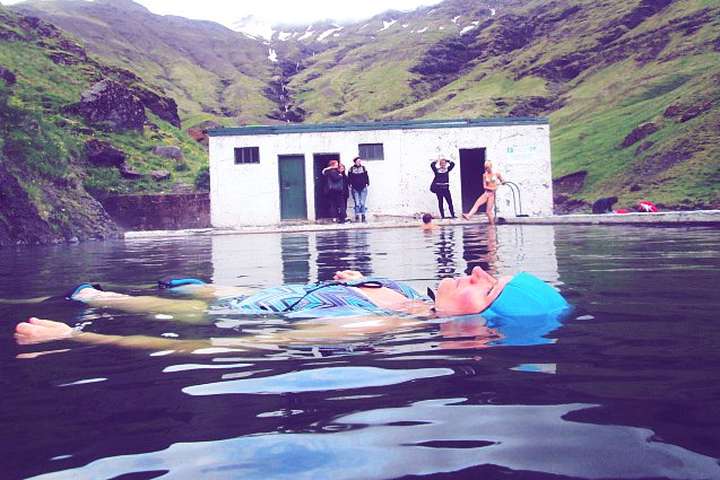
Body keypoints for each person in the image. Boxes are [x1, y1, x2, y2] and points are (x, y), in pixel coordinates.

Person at [14, 268, 569, 350]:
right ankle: (198, 285)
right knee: (209, 290)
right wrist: (362, 278)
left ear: (477, 331)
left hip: (232, 317)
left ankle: (90, 302)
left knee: (98, 296)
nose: (476, 271)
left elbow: (217, 346)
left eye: (489, 287)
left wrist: (75, 337)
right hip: (239, 294)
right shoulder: (414, 298)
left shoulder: (371, 324)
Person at [348, 157, 370, 223]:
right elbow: (349, 177)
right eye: (357, 161)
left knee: (362, 203)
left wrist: (367, 183)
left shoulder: (363, 168)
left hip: (363, 187)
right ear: (355, 162)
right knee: (357, 203)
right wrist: (350, 184)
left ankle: (363, 216)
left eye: (360, 161)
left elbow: (366, 176)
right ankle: (357, 216)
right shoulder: (351, 169)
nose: (359, 162)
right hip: (355, 188)